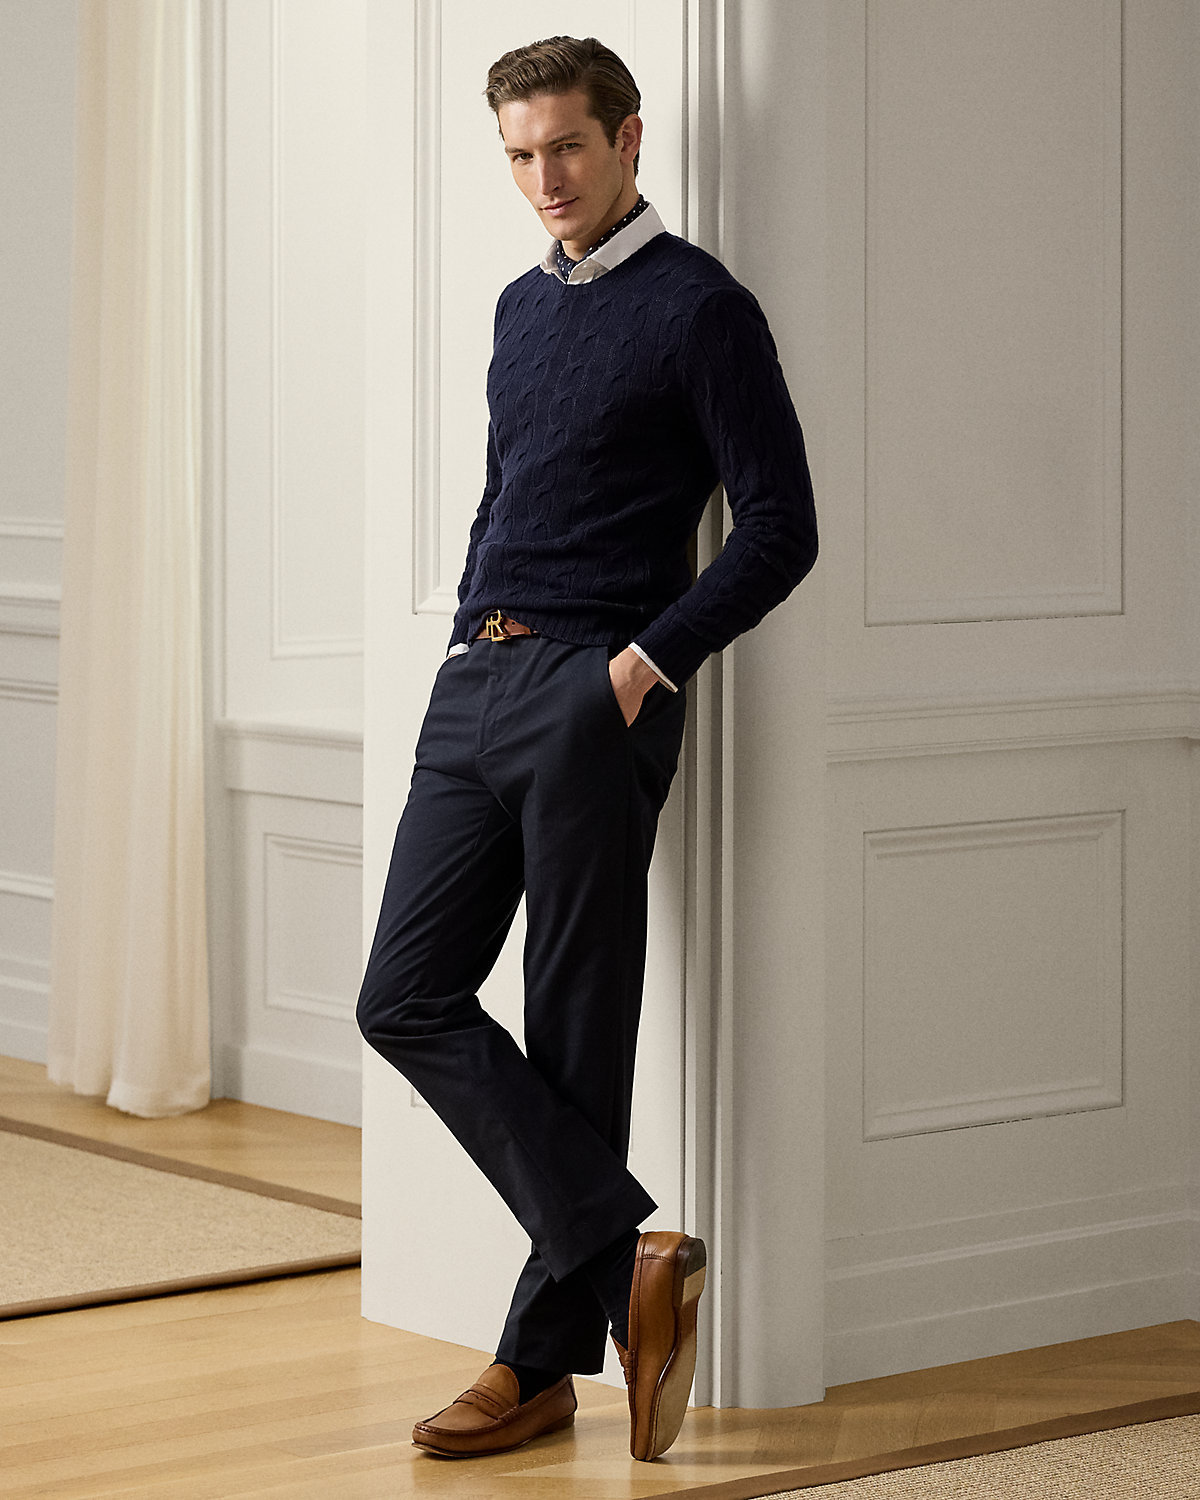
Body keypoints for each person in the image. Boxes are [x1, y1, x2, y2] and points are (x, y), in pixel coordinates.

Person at [356, 34, 817, 1463]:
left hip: (592, 691)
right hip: (476, 681)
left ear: (627, 138)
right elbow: (508, 490)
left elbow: (782, 527)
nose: (543, 178)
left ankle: (535, 1366)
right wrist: (464, 637)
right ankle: (628, 1259)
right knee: (403, 995)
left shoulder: (701, 309)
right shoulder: (518, 307)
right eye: (519, 155)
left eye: (565, 145)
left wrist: (635, 669)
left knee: (576, 1030)